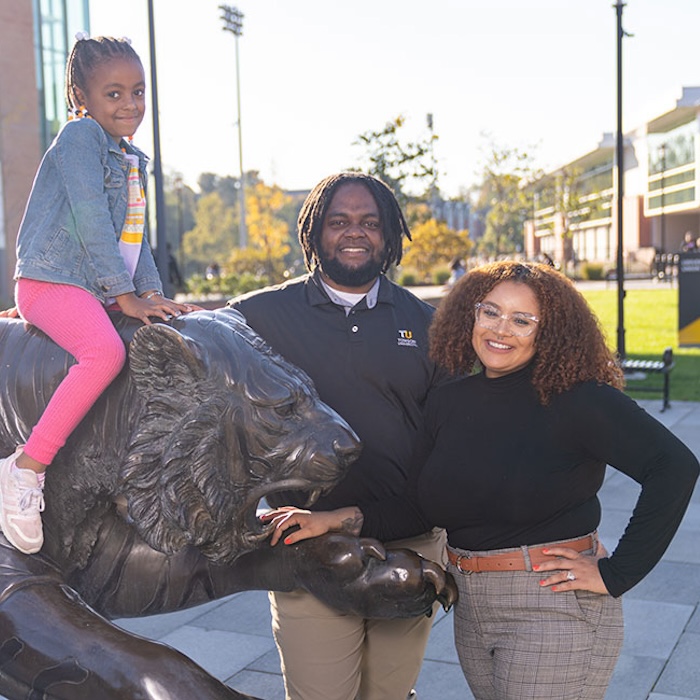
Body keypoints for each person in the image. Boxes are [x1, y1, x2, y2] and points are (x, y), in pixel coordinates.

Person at [265, 260, 699, 700]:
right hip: (472, 606)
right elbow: (419, 506)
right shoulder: (449, 402)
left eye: (522, 320)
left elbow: (674, 467)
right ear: (470, 316)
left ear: (549, 331)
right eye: (490, 311)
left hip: (552, 605)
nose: (501, 329)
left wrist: (616, 573)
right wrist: (333, 520)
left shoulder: (578, 399)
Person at [229, 172, 447, 700]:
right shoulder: (256, 317)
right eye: (340, 221)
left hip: (409, 546)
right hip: (308, 548)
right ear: (314, 232)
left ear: (389, 233)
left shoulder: (428, 323)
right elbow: (182, 349)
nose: (356, 232)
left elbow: (452, 441)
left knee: (389, 695)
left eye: (370, 222)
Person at [0, 35, 196, 556]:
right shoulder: (81, 138)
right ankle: (26, 467)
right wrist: (124, 296)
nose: (130, 105)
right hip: (51, 280)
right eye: (113, 94)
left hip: (92, 287)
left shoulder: (133, 158)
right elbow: (90, 219)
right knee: (105, 352)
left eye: (138, 92)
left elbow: (135, 236)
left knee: (160, 339)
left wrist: (153, 294)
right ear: (81, 97)